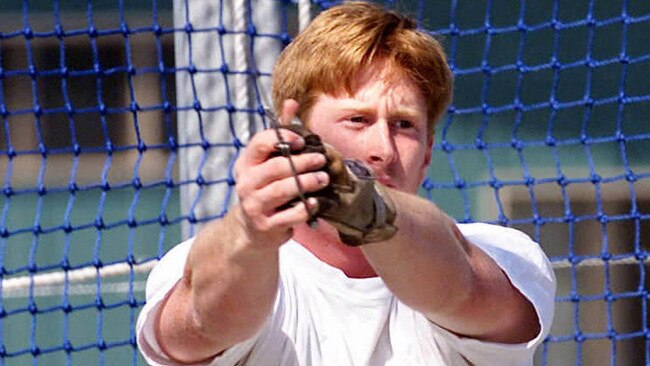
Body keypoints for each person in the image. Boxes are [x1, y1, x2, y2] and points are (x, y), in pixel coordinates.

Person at [136, 2, 556, 365]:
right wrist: (250, 232)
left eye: (404, 125)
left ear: (427, 154)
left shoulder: (507, 256)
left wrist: (369, 211)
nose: (382, 149)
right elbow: (202, 323)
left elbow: (458, 288)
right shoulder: (189, 263)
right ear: (296, 133)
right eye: (357, 119)